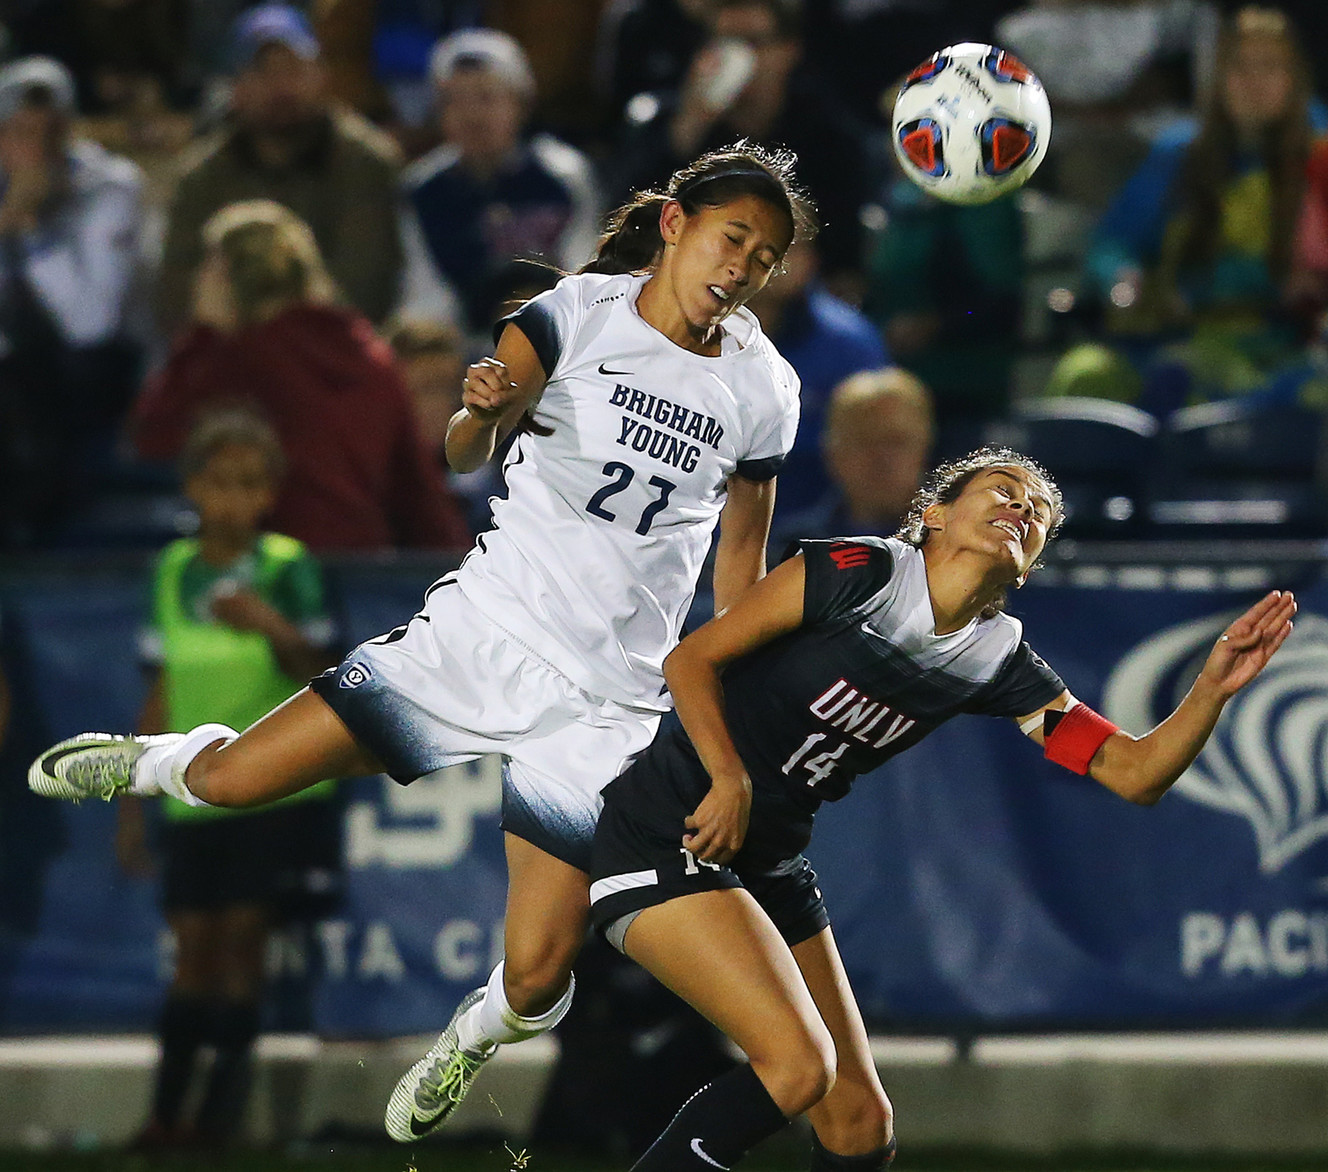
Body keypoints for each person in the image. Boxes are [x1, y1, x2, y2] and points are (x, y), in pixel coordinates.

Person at [28, 142, 814, 1143]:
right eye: (731, 236)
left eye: (763, 255)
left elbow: (737, 571)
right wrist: (480, 412)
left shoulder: (762, 386)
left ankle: (473, 1034)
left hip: (605, 704)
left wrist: (726, 719)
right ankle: (145, 761)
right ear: (673, 226)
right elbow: (460, 445)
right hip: (481, 635)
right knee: (229, 782)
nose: (742, 266)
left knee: (535, 975)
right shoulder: (575, 313)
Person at [586, 447, 1296, 1171]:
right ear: (933, 514)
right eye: (1002, 490)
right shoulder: (859, 572)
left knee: (859, 1123)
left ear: (1028, 567)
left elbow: (1132, 772)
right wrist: (729, 777)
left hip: (765, 858)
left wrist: (1210, 689)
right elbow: (692, 661)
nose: (1022, 507)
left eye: (1038, 513)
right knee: (798, 1068)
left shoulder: (996, 662)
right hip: (670, 826)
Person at [116, 409, 341, 1150]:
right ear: (192, 487)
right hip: (189, 791)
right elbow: (159, 688)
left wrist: (272, 626)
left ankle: (219, 1122)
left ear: (269, 493)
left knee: (242, 940)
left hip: (276, 788)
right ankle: (165, 1117)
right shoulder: (171, 570)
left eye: (250, 483)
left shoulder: (289, 566)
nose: (234, 499)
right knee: (192, 949)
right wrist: (129, 797)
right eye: (220, 482)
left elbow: (325, 681)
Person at [134, 199, 470, 554]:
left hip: (275, 577)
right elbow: (419, 490)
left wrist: (202, 335)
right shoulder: (373, 359)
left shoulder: (232, 360)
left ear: (223, 278)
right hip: (364, 571)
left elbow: (154, 436)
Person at [1048, 5, 1315, 415]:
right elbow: (1114, 242)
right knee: (1084, 374)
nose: (1253, 82)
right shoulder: (1180, 152)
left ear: (1294, 78)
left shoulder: (1320, 154)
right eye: (1239, 67)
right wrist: (1123, 280)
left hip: (1285, 345)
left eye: (1269, 67)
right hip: (1178, 332)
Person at [156, 4, 402, 332]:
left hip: (334, 351)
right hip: (231, 349)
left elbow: (366, 284)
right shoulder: (200, 178)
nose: (282, 86)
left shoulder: (366, 163)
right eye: (264, 71)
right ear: (235, 86)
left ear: (321, 75)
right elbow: (180, 291)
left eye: (295, 69)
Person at [611, 0, 878, 302]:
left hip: (797, 306)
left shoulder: (827, 138)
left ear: (788, 51)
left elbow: (845, 265)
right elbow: (625, 229)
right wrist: (688, 126)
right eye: (724, 42)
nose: (737, 57)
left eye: (753, 42)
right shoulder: (672, 124)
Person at [0, 55, 149, 546]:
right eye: (19, 130)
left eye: (49, 130)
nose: (34, 146)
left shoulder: (111, 185)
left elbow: (88, 323)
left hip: (93, 376)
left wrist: (30, 226)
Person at [396, 28, 603, 339]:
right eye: (455, 100)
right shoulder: (423, 189)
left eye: (486, 97)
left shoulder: (564, 176)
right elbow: (424, 294)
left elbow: (585, 273)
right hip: (461, 347)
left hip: (556, 336)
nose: (472, 115)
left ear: (521, 103)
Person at [746, 240, 889, 518]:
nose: (771, 260)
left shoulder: (851, 343)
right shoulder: (688, 331)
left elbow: (878, 448)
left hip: (821, 530)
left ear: (810, 259)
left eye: (787, 246)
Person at [771, 366, 933, 551]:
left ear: (924, 445)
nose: (881, 458)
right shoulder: (794, 547)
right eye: (865, 441)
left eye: (896, 441)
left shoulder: (956, 540)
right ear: (832, 452)